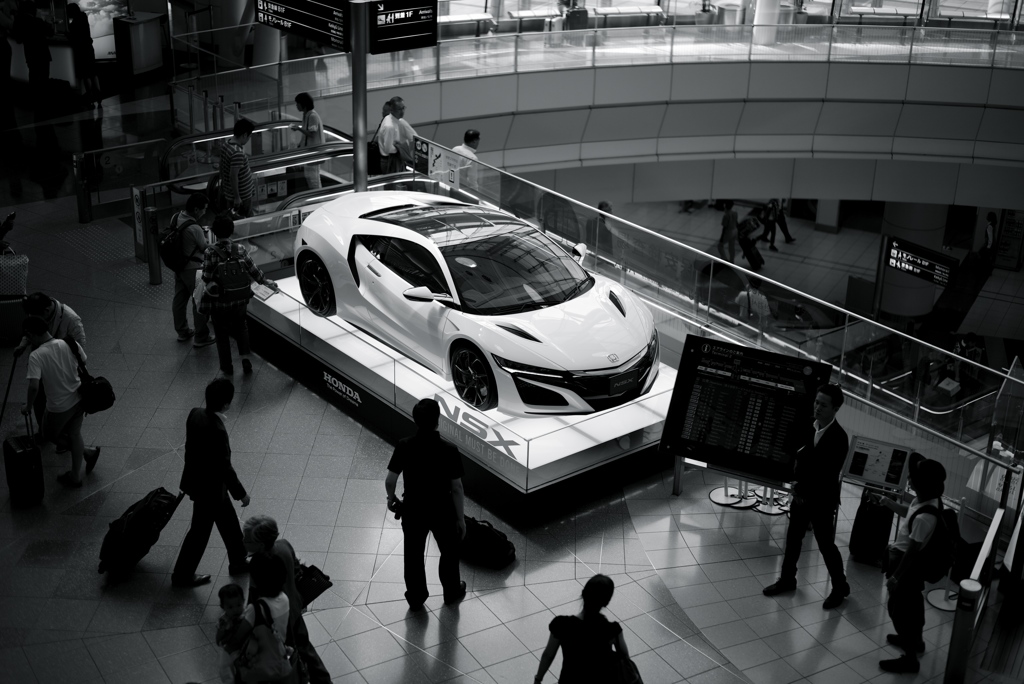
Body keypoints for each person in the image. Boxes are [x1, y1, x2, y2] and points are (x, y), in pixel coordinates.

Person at [763, 383, 851, 609]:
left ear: (836, 408)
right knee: (793, 539)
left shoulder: (839, 438)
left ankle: (840, 586)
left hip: (821, 500)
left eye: (824, 404)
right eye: (816, 402)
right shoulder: (808, 427)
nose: (818, 407)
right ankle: (787, 579)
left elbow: (826, 474)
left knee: (825, 545)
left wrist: (800, 489)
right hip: (801, 496)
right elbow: (797, 456)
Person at [385, 398, 467, 609]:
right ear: (437, 420)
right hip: (442, 510)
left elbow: (390, 480)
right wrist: (460, 518)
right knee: (448, 552)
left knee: (413, 555)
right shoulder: (449, 450)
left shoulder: (405, 445)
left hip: (413, 509)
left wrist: (391, 498)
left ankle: (416, 595)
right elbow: (457, 488)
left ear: (415, 420)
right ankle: (451, 591)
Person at [868, 455, 946, 674]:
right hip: (907, 566)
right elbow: (910, 514)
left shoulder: (925, 518)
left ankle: (910, 658)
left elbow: (911, 552)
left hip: (905, 568)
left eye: (913, 478)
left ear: (923, 483)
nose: (909, 480)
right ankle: (916, 641)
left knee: (899, 611)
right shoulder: (925, 501)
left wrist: (895, 578)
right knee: (913, 606)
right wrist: (888, 502)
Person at [171, 378, 250, 588]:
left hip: (199, 482)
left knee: (230, 523)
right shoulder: (217, 429)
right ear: (226, 404)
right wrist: (241, 493)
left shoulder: (195, 413)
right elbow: (225, 467)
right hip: (211, 489)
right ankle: (182, 575)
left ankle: (239, 560)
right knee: (199, 532)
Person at [243, 516, 332, 683]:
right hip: (294, 607)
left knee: (289, 655)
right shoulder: (284, 544)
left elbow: (253, 598)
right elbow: (297, 570)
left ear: (260, 544)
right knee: (306, 648)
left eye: (246, 539)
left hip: (275, 620)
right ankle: (324, 680)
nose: (242, 541)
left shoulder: (258, 563)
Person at [20, 315, 100, 488]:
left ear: (31, 334)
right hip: (79, 398)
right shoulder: (69, 343)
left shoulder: (36, 355)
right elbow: (83, 361)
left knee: (48, 435)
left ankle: (87, 453)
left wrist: (27, 406)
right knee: (74, 433)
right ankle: (77, 473)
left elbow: (34, 387)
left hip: (58, 406)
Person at [198, 215, 277, 376]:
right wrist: (266, 282)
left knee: (221, 333)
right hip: (241, 298)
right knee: (241, 327)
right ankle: (245, 360)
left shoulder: (210, 252)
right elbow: (254, 270)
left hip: (221, 301)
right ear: (231, 231)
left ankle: (227, 367)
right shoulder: (239, 249)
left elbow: (206, 277)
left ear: (214, 232)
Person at [15, 293, 87, 442]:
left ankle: (61, 437)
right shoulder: (37, 309)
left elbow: (80, 349)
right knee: (39, 400)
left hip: (59, 369)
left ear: (47, 311)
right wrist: (23, 345)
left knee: (61, 406)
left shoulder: (71, 319)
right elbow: (31, 330)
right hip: (42, 365)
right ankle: (45, 431)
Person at [533, 574, 630, 684]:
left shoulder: (562, 625)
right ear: (606, 602)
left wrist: (538, 679)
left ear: (583, 594)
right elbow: (625, 660)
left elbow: (548, 655)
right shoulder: (612, 630)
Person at [170, 193, 215, 346]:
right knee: (199, 301)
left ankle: (182, 332)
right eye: (204, 209)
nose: (205, 212)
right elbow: (204, 248)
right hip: (193, 269)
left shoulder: (176, 217)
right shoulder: (195, 228)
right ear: (196, 209)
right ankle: (201, 336)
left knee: (179, 300)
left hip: (179, 266)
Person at [13, 0, 53, 105]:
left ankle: (34, 101)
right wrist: (48, 23)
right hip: (43, 54)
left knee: (33, 77)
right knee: (44, 78)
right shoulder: (38, 21)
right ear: (33, 10)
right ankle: (43, 102)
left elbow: (18, 39)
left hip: (30, 53)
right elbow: (51, 33)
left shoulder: (19, 21)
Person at [65, 4, 100, 107]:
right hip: (89, 48)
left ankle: (89, 95)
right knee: (93, 72)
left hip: (80, 51)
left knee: (85, 74)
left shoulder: (74, 24)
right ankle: (98, 93)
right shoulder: (84, 17)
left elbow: (73, 37)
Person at [219, 119, 255, 217]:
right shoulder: (237, 153)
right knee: (245, 221)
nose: (248, 139)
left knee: (234, 219)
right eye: (249, 136)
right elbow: (233, 176)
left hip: (230, 193)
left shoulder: (227, 143)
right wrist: (237, 197)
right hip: (242, 196)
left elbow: (221, 166)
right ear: (244, 135)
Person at [291, 92, 324, 189]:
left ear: (303, 104)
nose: (296, 105)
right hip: (309, 152)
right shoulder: (306, 115)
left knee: (314, 179)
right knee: (310, 177)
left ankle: (318, 199)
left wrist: (298, 129)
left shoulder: (312, 116)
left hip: (313, 152)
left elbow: (312, 134)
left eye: (298, 103)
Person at [215, 583, 247, 684]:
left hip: (243, 649)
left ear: (244, 601)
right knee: (224, 668)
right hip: (228, 649)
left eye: (238, 605)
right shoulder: (224, 621)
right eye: (230, 607)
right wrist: (222, 630)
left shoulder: (247, 615)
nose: (235, 610)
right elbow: (218, 640)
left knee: (244, 671)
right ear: (222, 607)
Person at [377, 96, 416, 175]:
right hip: (389, 161)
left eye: (403, 108)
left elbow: (414, 137)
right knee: (393, 185)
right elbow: (387, 149)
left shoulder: (396, 120)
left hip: (391, 160)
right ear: (392, 110)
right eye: (399, 109)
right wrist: (400, 147)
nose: (402, 111)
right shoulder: (390, 126)